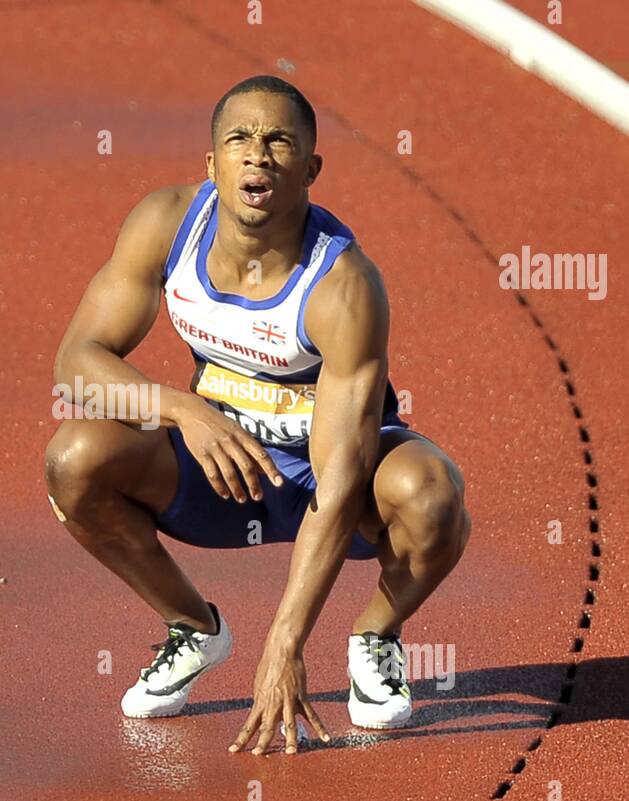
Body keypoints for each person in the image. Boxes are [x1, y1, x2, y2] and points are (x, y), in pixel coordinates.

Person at [44, 75, 471, 756]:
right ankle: (193, 626)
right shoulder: (166, 224)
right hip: (222, 474)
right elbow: (77, 361)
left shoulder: (343, 285)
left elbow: (339, 481)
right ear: (212, 165)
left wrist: (286, 641)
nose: (258, 154)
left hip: (333, 483)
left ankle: (376, 636)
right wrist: (182, 409)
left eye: (280, 141)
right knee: (75, 459)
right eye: (239, 139)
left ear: (311, 168)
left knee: (433, 494)